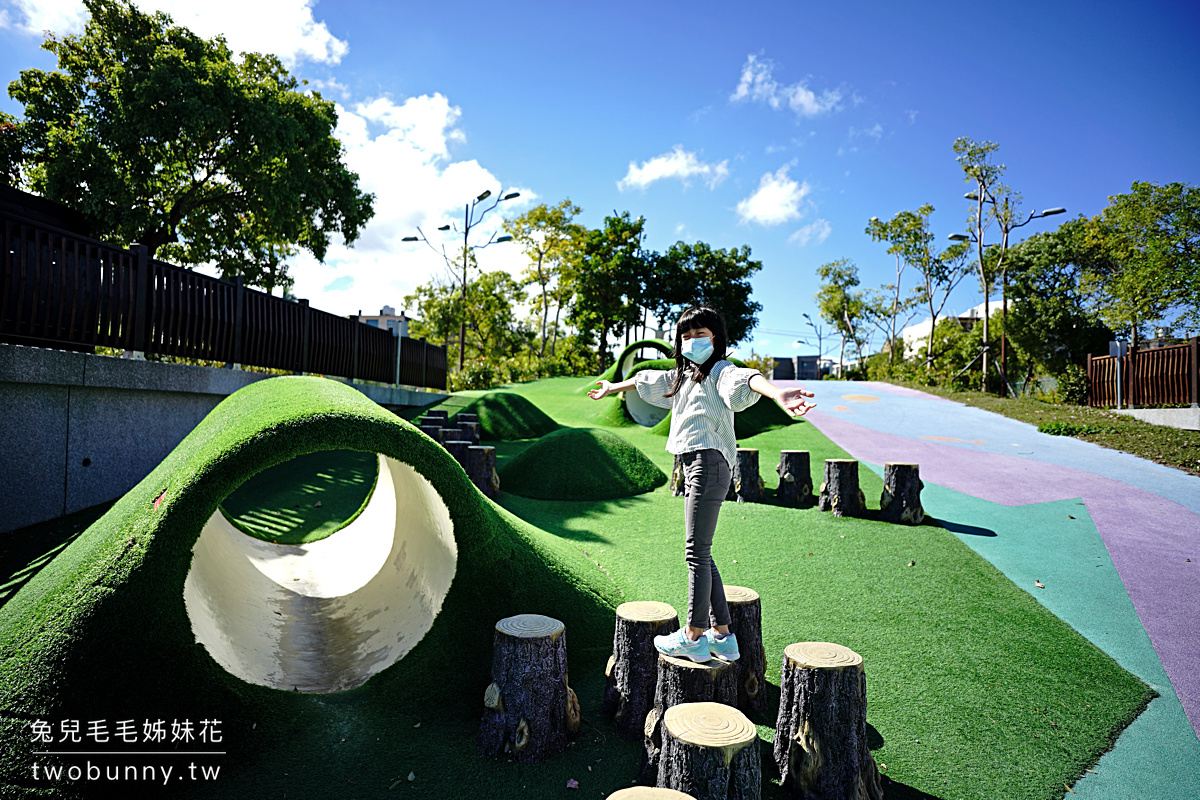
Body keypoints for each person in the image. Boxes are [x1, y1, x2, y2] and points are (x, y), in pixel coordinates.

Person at [587, 306, 816, 662]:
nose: (693, 341)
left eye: (701, 334)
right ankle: (722, 636)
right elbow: (648, 379)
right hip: (697, 463)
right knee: (702, 552)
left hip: (708, 463)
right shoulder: (682, 375)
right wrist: (613, 386)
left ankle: (693, 636)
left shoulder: (720, 371)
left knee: (695, 552)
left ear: (716, 338)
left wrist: (778, 393)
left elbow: (747, 379)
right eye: (687, 335)